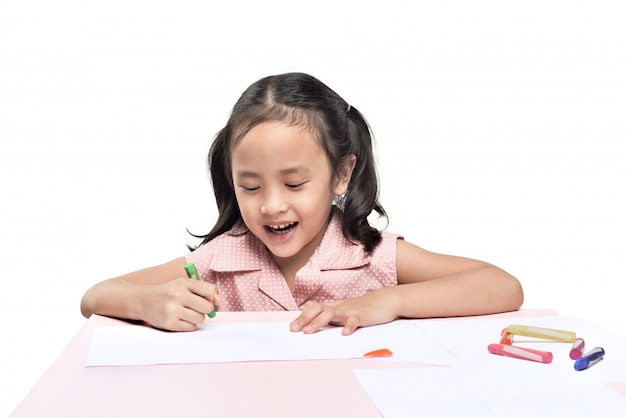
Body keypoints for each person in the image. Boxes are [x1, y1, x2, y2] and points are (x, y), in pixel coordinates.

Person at [80, 72, 523, 335]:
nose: (271, 206)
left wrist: (388, 301)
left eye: (294, 184)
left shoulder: (370, 255)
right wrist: (146, 304)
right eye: (250, 187)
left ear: (342, 174)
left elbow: (502, 286)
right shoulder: (221, 259)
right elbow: (94, 297)